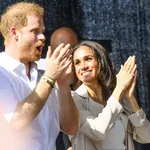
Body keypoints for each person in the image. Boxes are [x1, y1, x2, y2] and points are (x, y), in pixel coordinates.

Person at [0, 2, 79, 150]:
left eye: (43, 31)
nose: (43, 37)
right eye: (35, 31)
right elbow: (16, 123)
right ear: (14, 33)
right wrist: (49, 77)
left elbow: (71, 128)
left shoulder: (44, 74)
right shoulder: (2, 72)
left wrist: (63, 86)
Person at [70, 40, 150, 150]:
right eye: (77, 62)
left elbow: (146, 136)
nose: (83, 66)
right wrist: (119, 89)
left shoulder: (118, 97)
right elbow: (97, 131)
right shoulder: (74, 98)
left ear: (101, 61)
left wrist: (130, 98)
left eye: (88, 59)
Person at [50, 27, 79, 150]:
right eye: (62, 50)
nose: (68, 54)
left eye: (72, 48)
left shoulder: (88, 75)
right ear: (51, 51)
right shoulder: (41, 80)